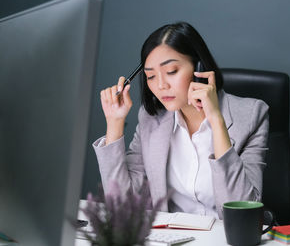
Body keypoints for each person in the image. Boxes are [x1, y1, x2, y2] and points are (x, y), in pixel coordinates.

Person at [93, 22, 269, 219]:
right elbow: (121, 206)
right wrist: (114, 123)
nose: (160, 85)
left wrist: (216, 121)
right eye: (151, 76)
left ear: (199, 67)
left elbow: (245, 212)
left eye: (171, 71)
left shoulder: (253, 115)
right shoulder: (150, 119)